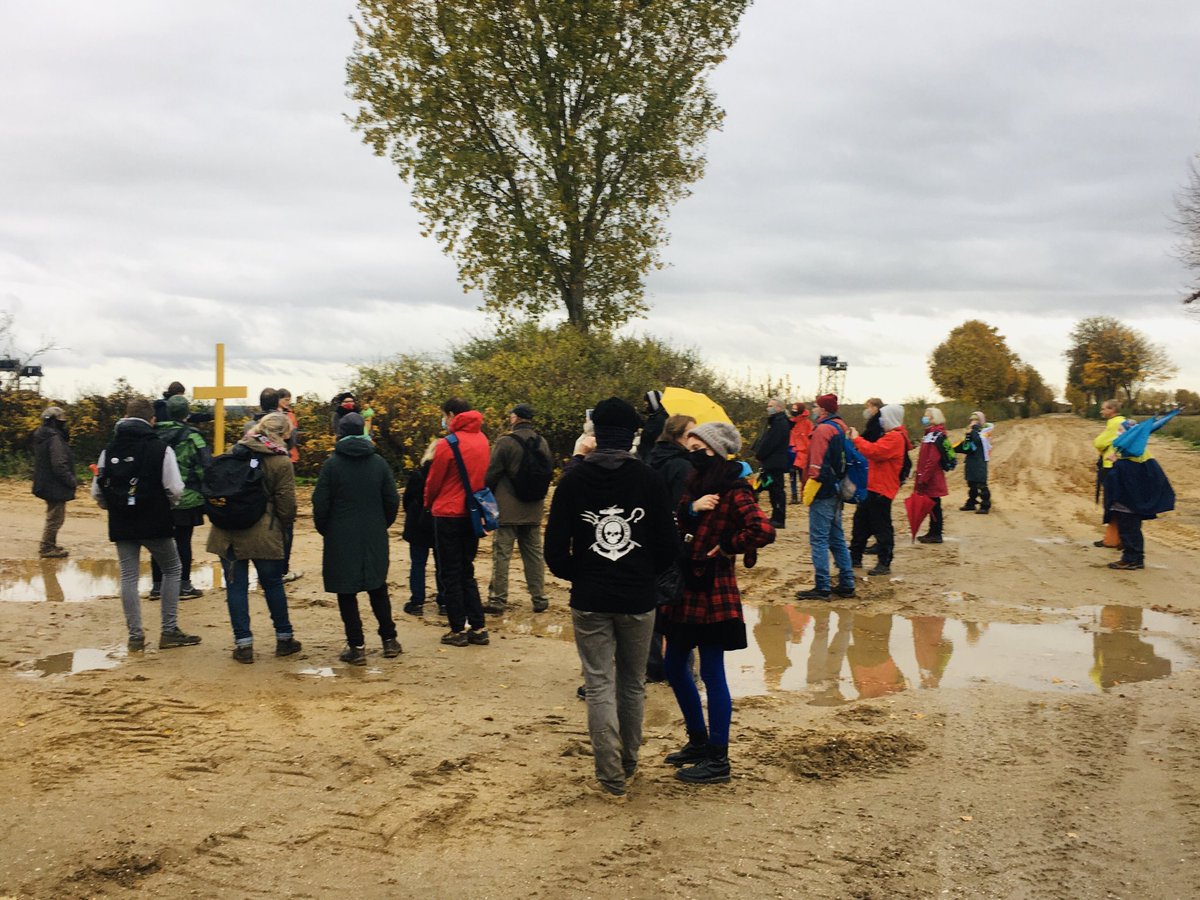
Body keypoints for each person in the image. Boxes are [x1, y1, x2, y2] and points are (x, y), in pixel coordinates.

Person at [545, 397, 678, 802]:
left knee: (599, 684)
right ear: (633, 435)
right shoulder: (650, 480)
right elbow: (670, 547)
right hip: (638, 598)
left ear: (595, 434)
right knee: (633, 685)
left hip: (590, 597)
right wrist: (642, 573)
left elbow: (553, 550)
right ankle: (629, 765)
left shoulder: (572, 480)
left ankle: (610, 779)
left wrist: (580, 572)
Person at [657, 421, 775, 784]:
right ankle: (698, 741)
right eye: (689, 446)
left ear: (714, 450)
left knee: (711, 672)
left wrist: (726, 546)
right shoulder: (695, 483)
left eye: (698, 448)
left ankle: (718, 759)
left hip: (713, 593)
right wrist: (692, 508)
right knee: (674, 666)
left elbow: (762, 530)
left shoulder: (735, 489)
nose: (692, 453)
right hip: (684, 591)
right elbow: (677, 518)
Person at [91, 398, 201, 652]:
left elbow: (97, 490)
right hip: (155, 519)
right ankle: (169, 630)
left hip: (121, 521)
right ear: (152, 420)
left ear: (125, 417)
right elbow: (175, 488)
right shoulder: (161, 448)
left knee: (128, 576)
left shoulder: (109, 450)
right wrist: (168, 507)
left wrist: (114, 507)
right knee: (173, 569)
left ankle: (135, 635)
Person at [207, 412, 302, 664]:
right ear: (283, 434)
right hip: (264, 531)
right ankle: (284, 639)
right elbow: (286, 504)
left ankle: (243, 645)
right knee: (272, 584)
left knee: (236, 587)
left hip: (228, 532)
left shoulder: (234, 451)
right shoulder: (280, 462)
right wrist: (284, 527)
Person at [312, 412, 402, 665]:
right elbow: (392, 500)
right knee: (378, 587)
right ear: (363, 431)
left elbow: (320, 503)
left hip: (340, 535)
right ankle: (389, 640)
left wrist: (326, 529)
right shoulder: (379, 463)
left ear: (340, 433)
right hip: (373, 533)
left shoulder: (332, 465)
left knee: (346, 591)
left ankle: (357, 647)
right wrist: (381, 524)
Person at [425, 398, 490, 647]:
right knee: (467, 569)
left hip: (448, 513)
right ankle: (478, 626)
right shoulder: (483, 440)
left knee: (449, 572)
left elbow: (434, 481)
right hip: (472, 513)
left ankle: (457, 629)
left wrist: (428, 503)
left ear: (451, 414)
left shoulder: (447, 444)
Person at [484, 404, 552, 615]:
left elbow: (492, 473)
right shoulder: (543, 442)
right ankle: (539, 598)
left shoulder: (505, 442)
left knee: (502, 555)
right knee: (533, 555)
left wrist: (488, 497)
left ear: (515, 418)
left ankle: (497, 600)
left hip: (507, 508)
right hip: (533, 508)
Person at [645, 413, 696, 681]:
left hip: (650, 539)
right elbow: (683, 505)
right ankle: (683, 666)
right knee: (680, 604)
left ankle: (653, 665)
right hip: (676, 541)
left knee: (653, 602)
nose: (695, 439)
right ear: (677, 435)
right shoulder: (682, 466)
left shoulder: (652, 458)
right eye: (691, 434)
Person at [150, 394, 211, 599]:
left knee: (159, 541)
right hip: (188, 497)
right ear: (186, 413)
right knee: (183, 542)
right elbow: (205, 466)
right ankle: (183, 586)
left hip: (157, 497)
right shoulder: (193, 436)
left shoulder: (152, 434)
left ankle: (157, 586)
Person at [797, 394, 856, 600]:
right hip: (837, 488)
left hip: (823, 490)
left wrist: (812, 482)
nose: (813, 410)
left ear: (823, 410)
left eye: (815, 407)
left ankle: (822, 586)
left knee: (819, 539)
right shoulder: (841, 427)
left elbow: (816, 464)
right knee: (836, 538)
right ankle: (847, 583)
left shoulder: (823, 429)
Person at [1102, 413, 1175, 570]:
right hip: (1129, 503)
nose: (1118, 433)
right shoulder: (1131, 453)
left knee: (1130, 530)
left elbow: (1127, 478)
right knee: (1131, 529)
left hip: (1128, 504)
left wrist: (1116, 463)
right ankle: (1135, 558)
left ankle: (1132, 559)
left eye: (1121, 431)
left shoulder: (1133, 456)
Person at [849, 403, 909, 576]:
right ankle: (855, 556)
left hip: (882, 489)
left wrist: (857, 439)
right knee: (861, 523)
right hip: (874, 487)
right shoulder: (891, 435)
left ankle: (884, 562)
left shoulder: (895, 438)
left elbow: (874, 451)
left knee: (881, 526)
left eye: (882, 417)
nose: (880, 420)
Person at [401, 440, 441, 616]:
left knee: (418, 564)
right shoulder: (447, 476)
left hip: (418, 523)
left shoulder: (418, 474)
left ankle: (417, 602)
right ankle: (444, 602)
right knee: (442, 564)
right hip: (440, 522)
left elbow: (407, 499)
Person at [32, 406, 76, 559]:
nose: (63, 424)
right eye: (60, 421)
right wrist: (71, 481)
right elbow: (59, 464)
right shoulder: (54, 438)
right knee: (55, 518)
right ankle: (47, 547)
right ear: (53, 422)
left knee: (54, 516)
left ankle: (50, 544)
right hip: (55, 484)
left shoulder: (43, 435)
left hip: (46, 482)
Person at [275, 388, 303, 584]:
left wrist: (253, 468)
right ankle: (282, 569)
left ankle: (271, 569)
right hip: (283, 463)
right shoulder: (281, 457)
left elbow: (250, 458)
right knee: (285, 520)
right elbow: (292, 439)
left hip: (268, 467)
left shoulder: (251, 426)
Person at [752, 397, 792, 528]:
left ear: (779, 407)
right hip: (772, 463)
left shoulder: (780, 423)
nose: (768, 408)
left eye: (771, 406)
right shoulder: (776, 422)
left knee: (773, 490)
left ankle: (778, 518)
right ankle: (776, 516)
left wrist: (760, 454)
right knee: (767, 489)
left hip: (774, 464)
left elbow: (770, 443)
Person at [1092, 399, 1126, 549]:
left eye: (1103, 408)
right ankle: (1115, 538)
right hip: (1123, 466)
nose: (1101, 411)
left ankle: (1114, 539)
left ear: (1112, 410)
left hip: (1110, 466)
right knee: (1121, 504)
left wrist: (1100, 445)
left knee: (1113, 504)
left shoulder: (1113, 424)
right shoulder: (1125, 422)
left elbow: (1099, 443)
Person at [915, 406, 952, 544]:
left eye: (927, 415)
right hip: (928, 475)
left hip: (932, 477)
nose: (924, 417)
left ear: (933, 418)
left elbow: (932, 459)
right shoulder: (929, 434)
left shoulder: (936, 435)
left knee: (934, 505)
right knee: (933, 505)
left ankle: (936, 533)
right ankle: (933, 532)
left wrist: (924, 477)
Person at [957, 411, 993, 514]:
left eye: (976, 420)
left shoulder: (986, 431)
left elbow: (979, 441)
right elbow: (967, 444)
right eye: (972, 420)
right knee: (971, 483)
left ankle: (985, 505)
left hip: (980, 461)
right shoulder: (971, 431)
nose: (973, 422)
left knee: (981, 484)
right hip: (971, 460)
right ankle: (971, 502)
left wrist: (973, 430)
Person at [787, 403, 813, 504]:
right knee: (792, 476)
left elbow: (811, 437)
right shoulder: (790, 423)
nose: (793, 410)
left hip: (803, 453)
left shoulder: (807, 423)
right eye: (792, 408)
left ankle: (804, 495)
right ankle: (794, 496)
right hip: (791, 452)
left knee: (803, 477)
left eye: (795, 409)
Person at [636, 390, 667, 462]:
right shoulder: (655, 416)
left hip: (651, 457)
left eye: (647, 403)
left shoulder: (659, 419)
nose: (645, 404)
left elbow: (650, 436)